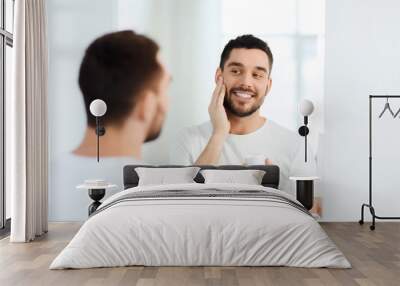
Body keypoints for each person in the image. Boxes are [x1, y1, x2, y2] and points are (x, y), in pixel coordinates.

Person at [170, 34, 316, 195]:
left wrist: (272, 189)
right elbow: (181, 201)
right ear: (219, 77)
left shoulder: (295, 146)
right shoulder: (187, 140)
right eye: (236, 71)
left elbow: (307, 211)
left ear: (268, 85)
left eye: (257, 75)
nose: (246, 82)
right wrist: (219, 134)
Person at [50, 30, 171, 221]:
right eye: (165, 89)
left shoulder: (45, 177)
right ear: (147, 104)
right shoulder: (156, 189)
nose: (167, 103)